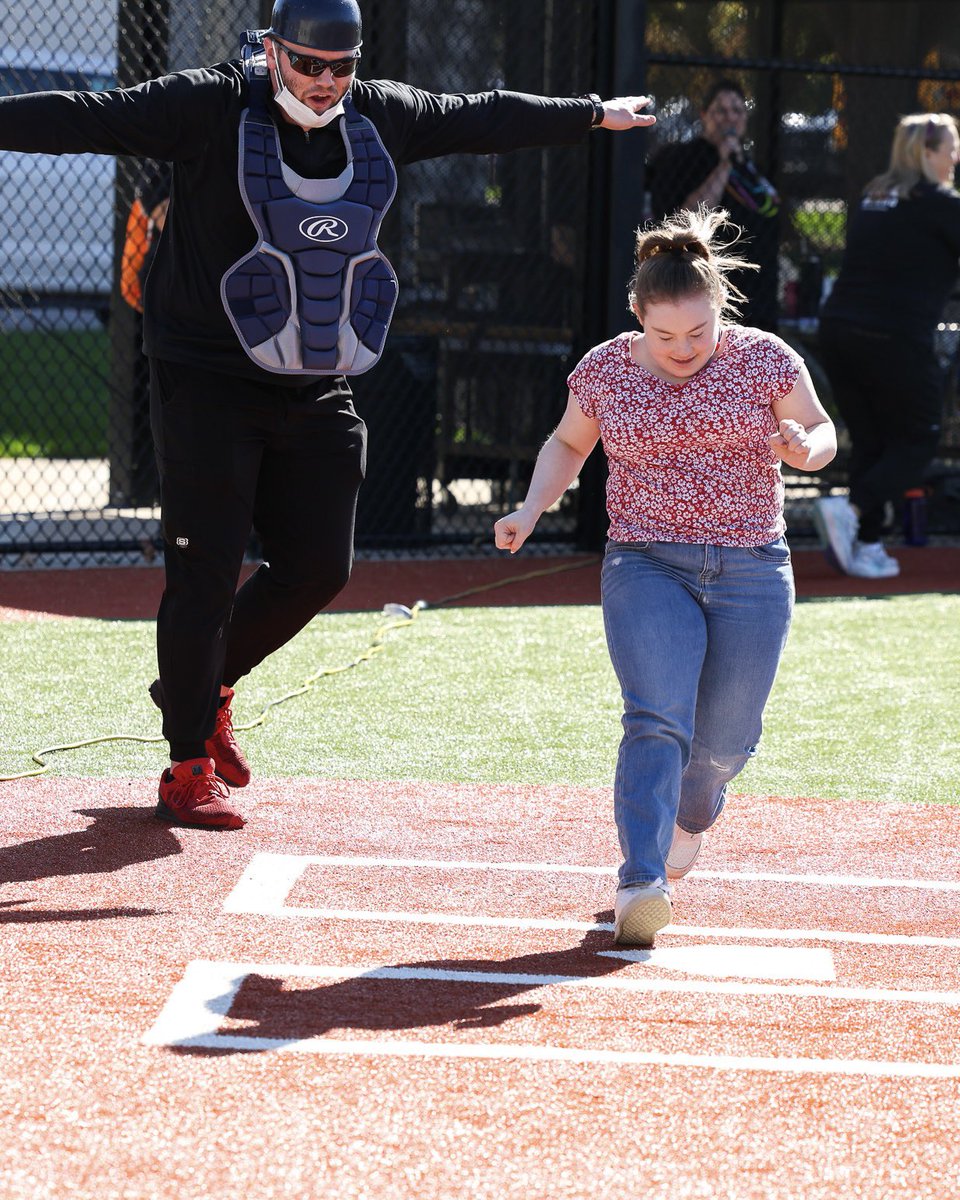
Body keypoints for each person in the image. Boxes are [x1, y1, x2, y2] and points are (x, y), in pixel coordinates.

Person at [0, 0, 655, 831]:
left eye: (339, 66)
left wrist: (591, 114)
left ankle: (203, 686)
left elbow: (478, 116)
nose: (324, 82)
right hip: (205, 376)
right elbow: (84, 115)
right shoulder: (209, 104)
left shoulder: (378, 112)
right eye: (307, 64)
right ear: (273, 52)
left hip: (313, 377)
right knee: (205, 568)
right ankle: (186, 762)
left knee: (321, 565)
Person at [494, 207, 836, 947]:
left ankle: (693, 808)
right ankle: (640, 879)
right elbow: (566, 442)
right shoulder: (606, 369)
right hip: (646, 560)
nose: (683, 349)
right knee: (656, 717)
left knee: (724, 743)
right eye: (664, 334)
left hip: (751, 565)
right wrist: (529, 509)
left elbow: (819, 430)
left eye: (699, 333)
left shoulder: (766, 358)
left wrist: (805, 448)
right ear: (638, 319)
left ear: (721, 312)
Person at [814, 112, 960, 580]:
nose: (956, 157)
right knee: (918, 439)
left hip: (839, 331)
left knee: (873, 441)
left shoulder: (876, 194)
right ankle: (853, 511)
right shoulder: (940, 203)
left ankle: (868, 542)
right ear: (928, 152)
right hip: (891, 336)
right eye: (951, 148)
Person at [648, 79, 780, 331]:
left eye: (737, 110)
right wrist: (724, 164)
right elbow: (686, 220)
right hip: (706, 290)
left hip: (759, 295)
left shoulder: (751, 166)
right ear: (704, 115)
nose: (730, 118)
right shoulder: (685, 158)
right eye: (721, 110)